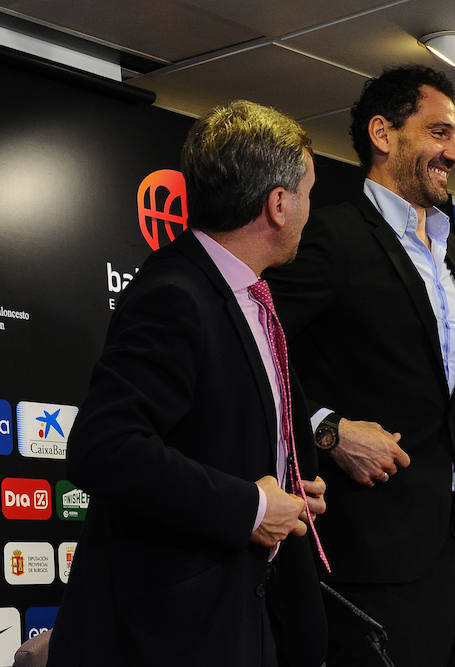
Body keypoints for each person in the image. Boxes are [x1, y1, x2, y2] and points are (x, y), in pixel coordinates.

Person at [47, 100, 327, 667]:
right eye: (307, 194)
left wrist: (289, 492)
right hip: (169, 635)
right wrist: (251, 506)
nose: (308, 212)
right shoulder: (175, 292)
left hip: (237, 621)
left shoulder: (250, 298)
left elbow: (214, 435)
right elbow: (106, 447)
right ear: (277, 204)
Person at [265, 65, 455, 666]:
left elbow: (450, 365)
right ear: (383, 133)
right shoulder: (330, 235)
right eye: (439, 133)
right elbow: (262, 348)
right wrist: (328, 428)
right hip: (373, 549)